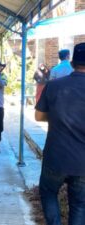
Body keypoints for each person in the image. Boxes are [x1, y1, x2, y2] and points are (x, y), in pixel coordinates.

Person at [35, 43, 85, 225]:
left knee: (48, 193)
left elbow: (38, 115)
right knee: (80, 204)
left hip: (56, 156)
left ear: (72, 63)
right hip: (82, 161)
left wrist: (58, 116)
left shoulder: (54, 85)